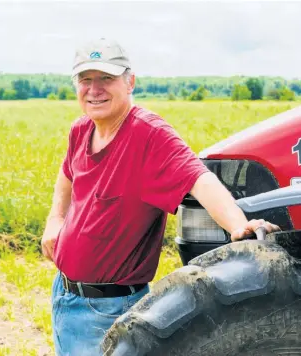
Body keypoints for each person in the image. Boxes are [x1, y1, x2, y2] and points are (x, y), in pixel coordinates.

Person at [41, 38, 280, 356]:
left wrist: (238, 225)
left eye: (106, 79)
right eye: (86, 79)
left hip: (107, 310)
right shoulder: (81, 129)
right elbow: (67, 174)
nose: (94, 89)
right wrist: (56, 218)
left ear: (130, 82)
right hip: (64, 295)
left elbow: (199, 178)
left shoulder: (149, 135)